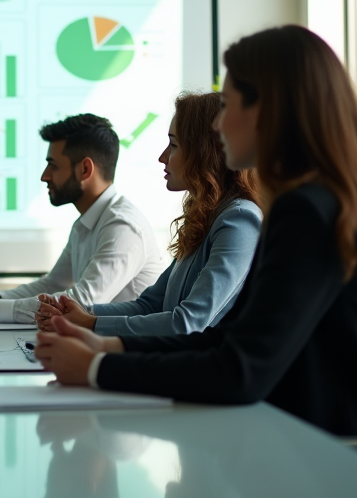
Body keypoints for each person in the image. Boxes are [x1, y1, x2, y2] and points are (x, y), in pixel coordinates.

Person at [35, 25, 357, 436]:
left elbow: (239, 369)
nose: (216, 127)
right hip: (332, 453)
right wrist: (110, 346)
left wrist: (97, 367)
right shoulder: (315, 204)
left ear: (269, 111)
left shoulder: (308, 211)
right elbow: (227, 338)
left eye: (228, 105)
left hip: (355, 465)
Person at [36, 92, 261, 336]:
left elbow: (187, 323)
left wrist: (90, 322)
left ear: (205, 152)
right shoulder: (205, 218)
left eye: (173, 145)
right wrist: (80, 312)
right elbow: (148, 305)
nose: (162, 157)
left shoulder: (238, 221)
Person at [0, 113, 163, 323]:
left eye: (53, 165)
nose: (44, 176)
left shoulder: (122, 226)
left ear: (85, 169)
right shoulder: (86, 222)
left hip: (126, 354)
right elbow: (51, 284)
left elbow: (82, 303)